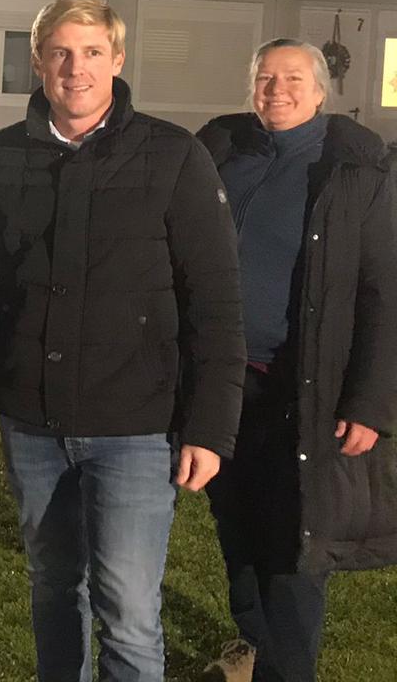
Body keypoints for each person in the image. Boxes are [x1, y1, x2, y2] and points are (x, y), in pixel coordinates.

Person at [0, 0, 245, 682]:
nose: (75, 69)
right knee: (53, 589)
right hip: (31, 424)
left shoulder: (173, 156)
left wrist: (211, 427)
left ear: (118, 58)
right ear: (39, 61)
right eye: (60, 53)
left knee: (129, 609)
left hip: (137, 428)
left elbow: (218, 306)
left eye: (92, 52)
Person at [194, 39, 397, 682]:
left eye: (291, 78)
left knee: (296, 542)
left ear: (318, 92)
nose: (275, 89)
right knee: (236, 525)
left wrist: (369, 400)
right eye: (264, 77)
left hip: (304, 388)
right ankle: (251, 643)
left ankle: (290, 670)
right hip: (225, 387)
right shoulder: (223, 156)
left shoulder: (355, 172)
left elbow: (385, 290)